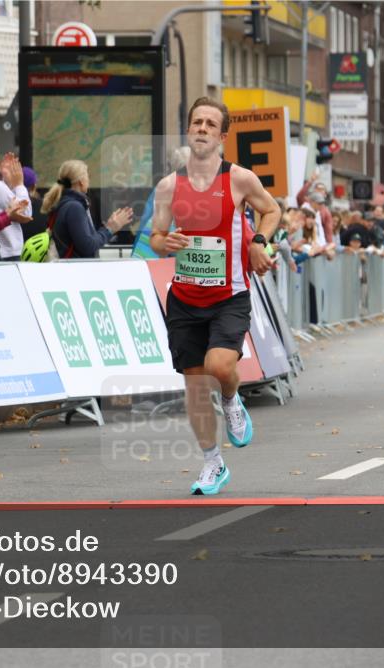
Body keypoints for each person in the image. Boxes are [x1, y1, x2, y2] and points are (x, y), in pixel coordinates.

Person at [149, 97, 280, 496]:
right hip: (185, 297)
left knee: (219, 366)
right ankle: (212, 463)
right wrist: (166, 242)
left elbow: (271, 211)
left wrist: (259, 242)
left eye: (210, 124)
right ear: (189, 130)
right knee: (194, 384)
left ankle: (231, 397)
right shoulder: (169, 186)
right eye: (197, 122)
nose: (202, 128)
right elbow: (156, 238)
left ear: (223, 136)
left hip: (229, 296)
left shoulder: (239, 179)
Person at [40, 160, 133, 259]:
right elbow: (88, 246)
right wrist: (110, 229)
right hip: (77, 267)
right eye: (88, 176)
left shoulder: (63, 203)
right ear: (81, 181)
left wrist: (108, 226)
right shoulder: (74, 207)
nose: (89, 180)